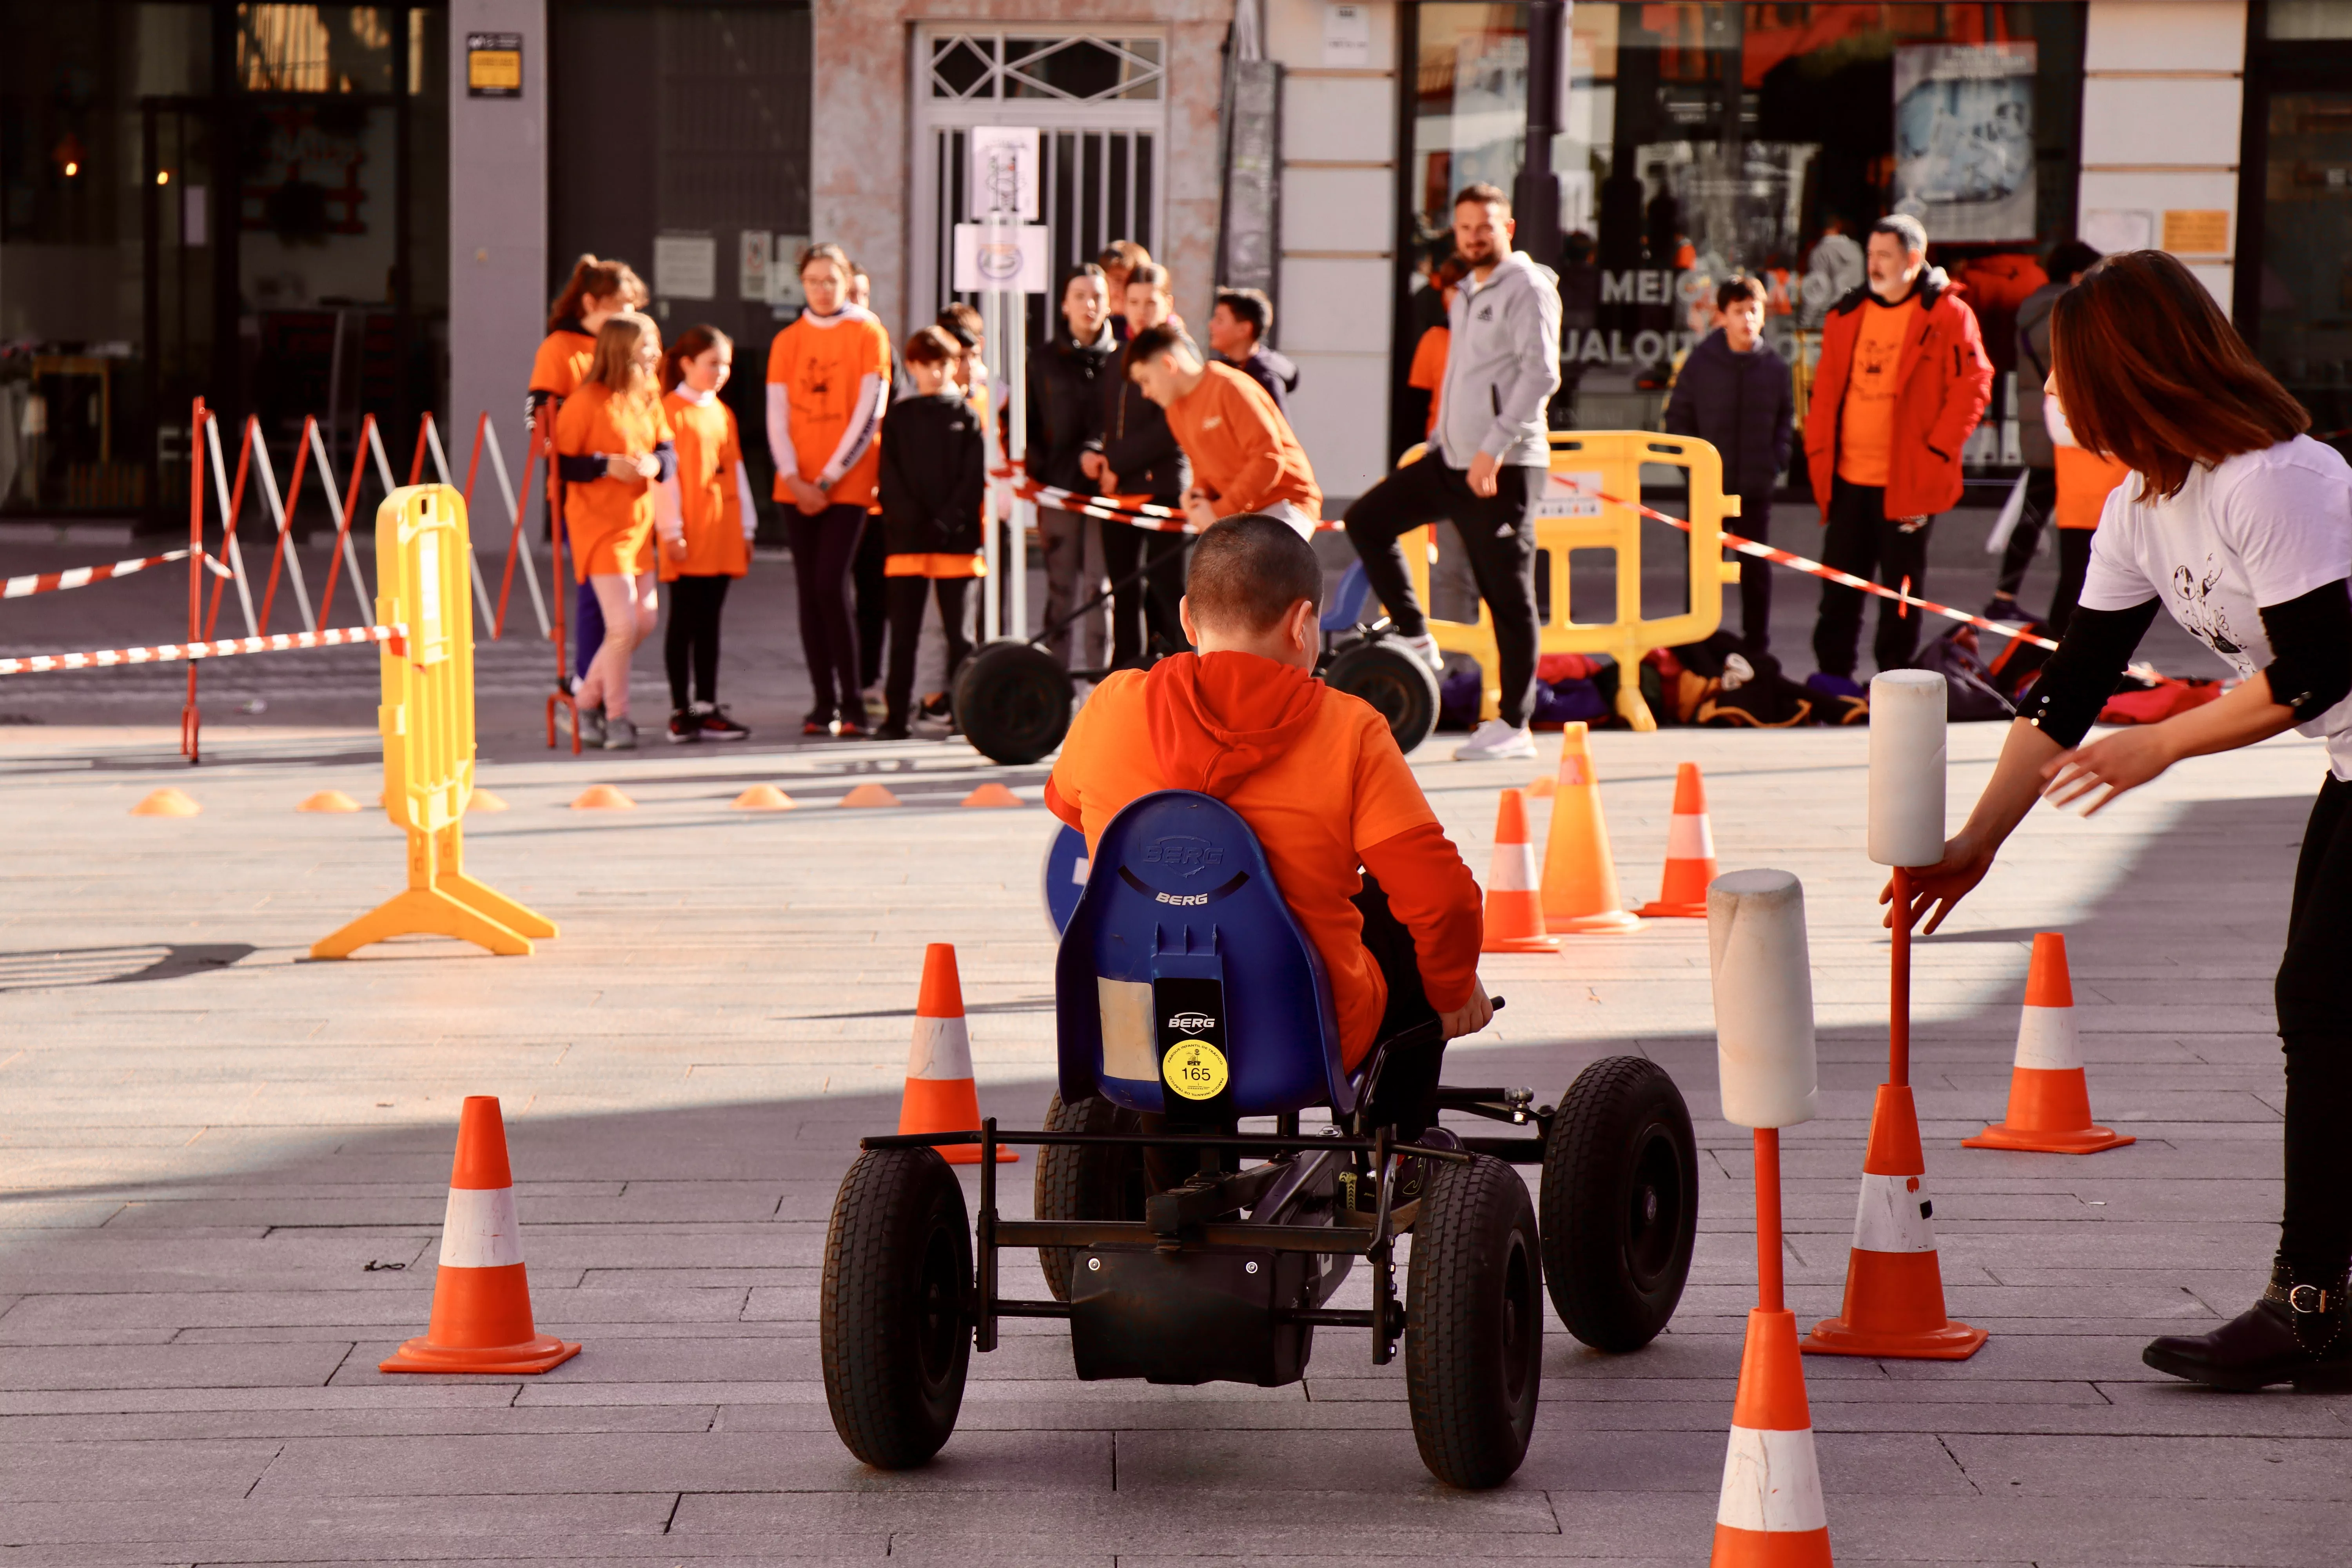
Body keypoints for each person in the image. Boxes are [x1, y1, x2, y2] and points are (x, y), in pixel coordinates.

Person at [1890, 250, 2352, 1391]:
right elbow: (2066, 692)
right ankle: (2320, 1303)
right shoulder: (2141, 506)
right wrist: (1974, 844)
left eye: (2059, 374)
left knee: (2320, 998)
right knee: (2322, 1004)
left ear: (2126, 371)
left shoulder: (2271, 479)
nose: (2046, 399)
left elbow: (2319, 665)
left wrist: (2164, 745)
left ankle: (2310, 1302)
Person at [1044, 514, 1490, 1136]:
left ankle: (1179, 1188)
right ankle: (1395, 1153)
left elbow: (1065, 807)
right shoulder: (1349, 729)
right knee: (1403, 914)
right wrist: (1452, 992)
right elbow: (1443, 900)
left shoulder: (1112, 704)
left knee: (1169, 935)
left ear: (1187, 618)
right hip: (1301, 1035)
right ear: (1303, 623)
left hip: (1134, 1033)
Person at [1339, 183, 1560, 763]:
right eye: (1464, 227)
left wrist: (1492, 447)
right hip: (1453, 461)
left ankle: (1515, 724)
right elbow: (1465, 376)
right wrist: (1441, 442)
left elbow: (1540, 377)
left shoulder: (1528, 287)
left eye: (1485, 226)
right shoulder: (1467, 290)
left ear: (1507, 228)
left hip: (1503, 467)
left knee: (1506, 597)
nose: (1473, 236)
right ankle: (1415, 634)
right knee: (1368, 520)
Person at [1802, 213, 1992, 687]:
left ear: (1913, 259)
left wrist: (1937, 449)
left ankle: (1896, 682)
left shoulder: (1949, 315)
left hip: (1909, 479)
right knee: (1840, 584)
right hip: (1847, 477)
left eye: (1884, 256)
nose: (1874, 265)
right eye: (1870, 255)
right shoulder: (1846, 314)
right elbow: (1824, 391)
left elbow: (1975, 383)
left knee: (1902, 590)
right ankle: (1834, 678)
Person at [767, 241, 891, 736]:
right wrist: (795, 477)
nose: (822, 290)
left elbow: (870, 412)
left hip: (848, 483)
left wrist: (827, 477)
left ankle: (853, 700)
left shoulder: (867, 332)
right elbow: (776, 415)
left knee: (830, 585)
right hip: (795, 485)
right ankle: (823, 704)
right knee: (808, 594)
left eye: (830, 281)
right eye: (813, 281)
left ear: (846, 282)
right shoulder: (787, 340)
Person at [530, 254, 648, 729]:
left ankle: (594, 689)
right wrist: (599, 464)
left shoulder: (631, 350)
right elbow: (543, 431)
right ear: (590, 303)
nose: (630, 317)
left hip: (631, 501)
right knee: (595, 600)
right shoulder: (561, 348)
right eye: (621, 307)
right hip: (584, 491)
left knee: (630, 611)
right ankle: (585, 690)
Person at [554, 312, 679, 751]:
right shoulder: (584, 401)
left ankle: (585, 699)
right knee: (623, 625)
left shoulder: (648, 395)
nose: (656, 354)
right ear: (622, 348)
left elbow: (667, 451)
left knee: (645, 619)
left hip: (638, 525)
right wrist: (606, 465)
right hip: (597, 526)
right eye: (649, 344)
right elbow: (562, 464)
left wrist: (654, 464)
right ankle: (617, 715)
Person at [1663, 275, 1795, 656]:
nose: (1747, 319)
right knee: (1702, 572)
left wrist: (1776, 461)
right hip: (1707, 493)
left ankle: (1757, 648)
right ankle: (1698, 649)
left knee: (1756, 572)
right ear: (1722, 316)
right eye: (1738, 311)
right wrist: (1694, 473)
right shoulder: (1702, 362)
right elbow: (1678, 422)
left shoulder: (1773, 366)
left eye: (1754, 310)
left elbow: (1786, 418)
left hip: (1754, 491)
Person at [1987, 239, 2111, 628]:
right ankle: (2006, 597)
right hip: (2064, 427)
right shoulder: (2067, 314)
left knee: (2036, 511)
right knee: (2055, 521)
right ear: (2078, 276)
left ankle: (2004, 595)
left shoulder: (2031, 308)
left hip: (2040, 422)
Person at [875, 326, 987, 740]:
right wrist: (914, 522)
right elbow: (890, 478)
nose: (937, 372)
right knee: (903, 634)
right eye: (928, 363)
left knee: (960, 636)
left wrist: (944, 522)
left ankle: (965, 716)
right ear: (912, 366)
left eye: (944, 363)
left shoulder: (967, 415)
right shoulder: (900, 417)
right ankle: (895, 717)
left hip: (956, 541)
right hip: (906, 542)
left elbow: (971, 478)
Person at [1125, 323, 1321, 539]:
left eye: (1145, 380)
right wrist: (1198, 496)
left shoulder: (1229, 387)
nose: (1145, 392)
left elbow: (1269, 459)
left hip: (1286, 504)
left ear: (1167, 364)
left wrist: (1219, 512)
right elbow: (1201, 465)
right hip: (1241, 514)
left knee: (1260, 568)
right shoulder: (1175, 410)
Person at [1088, 263, 1191, 667]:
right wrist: (1099, 458)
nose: (1141, 311)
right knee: (1123, 591)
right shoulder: (1117, 357)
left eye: (1151, 303)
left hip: (1165, 487)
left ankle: (1180, 672)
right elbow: (1106, 420)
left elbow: (1172, 429)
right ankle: (1126, 678)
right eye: (1133, 302)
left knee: (1167, 590)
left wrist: (1114, 460)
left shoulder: (1179, 354)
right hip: (1119, 490)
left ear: (1168, 304)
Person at [657, 325, 754, 744]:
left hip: (722, 529)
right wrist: (672, 530)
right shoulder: (668, 412)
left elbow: (737, 472)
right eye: (713, 363)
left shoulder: (723, 412)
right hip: (688, 532)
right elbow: (664, 481)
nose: (721, 371)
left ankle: (708, 705)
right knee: (684, 621)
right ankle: (682, 709)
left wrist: (748, 525)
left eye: (726, 364)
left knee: (710, 622)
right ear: (687, 363)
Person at [1028, 264, 1120, 670]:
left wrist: (1104, 456)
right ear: (1064, 304)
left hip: (1109, 487)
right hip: (1058, 490)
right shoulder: (1043, 360)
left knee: (1102, 589)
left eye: (1098, 296)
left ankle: (1101, 683)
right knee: (1059, 586)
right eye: (1080, 295)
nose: (1090, 304)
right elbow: (1027, 423)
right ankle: (1056, 679)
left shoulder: (1123, 359)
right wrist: (1040, 473)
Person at [1402, 256, 1468, 439]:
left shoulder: (1500, 340)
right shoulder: (1434, 339)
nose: (1460, 297)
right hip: (1439, 450)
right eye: (1454, 288)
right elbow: (1416, 408)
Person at [1207, 287, 1299, 416]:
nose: (1211, 325)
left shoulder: (1266, 380)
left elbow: (1279, 434)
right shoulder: (1219, 370)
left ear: (1244, 330)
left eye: (1220, 320)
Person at [1098, 240, 1150, 338]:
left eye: (1120, 281)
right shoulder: (1092, 325)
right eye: (1118, 280)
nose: (1124, 289)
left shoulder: (1158, 330)